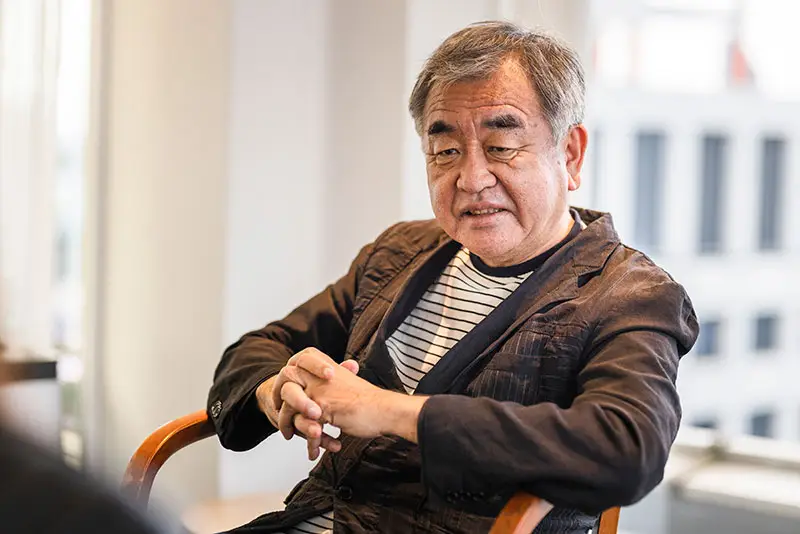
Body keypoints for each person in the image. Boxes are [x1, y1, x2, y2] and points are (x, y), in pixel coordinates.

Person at [208, 21, 698, 534]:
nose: (471, 179)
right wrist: (275, 389)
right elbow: (255, 350)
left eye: (502, 146)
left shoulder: (630, 294)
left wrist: (392, 412)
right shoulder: (401, 252)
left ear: (569, 154)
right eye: (445, 152)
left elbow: (627, 448)